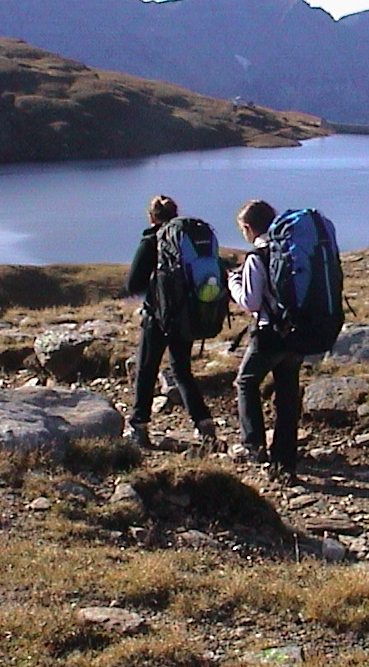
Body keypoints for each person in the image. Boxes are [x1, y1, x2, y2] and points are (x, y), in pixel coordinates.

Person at [124, 195, 217, 448]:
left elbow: (133, 284)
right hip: (186, 314)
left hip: (157, 315)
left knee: (146, 368)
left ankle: (139, 425)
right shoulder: (186, 239)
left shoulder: (152, 240)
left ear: (151, 217)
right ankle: (204, 424)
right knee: (181, 369)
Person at [227, 199, 304, 484]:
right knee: (287, 393)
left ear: (248, 228)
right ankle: (285, 460)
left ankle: (254, 446)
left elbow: (250, 301)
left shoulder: (256, 257)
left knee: (246, 382)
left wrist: (232, 283)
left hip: (269, 334)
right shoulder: (291, 251)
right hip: (297, 333)